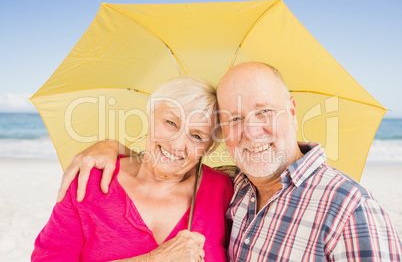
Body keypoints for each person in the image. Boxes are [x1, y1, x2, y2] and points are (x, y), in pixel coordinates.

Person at [57, 62, 402, 261]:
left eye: (264, 111)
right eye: (234, 119)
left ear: (292, 111)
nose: (251, 132)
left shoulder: (351, 209)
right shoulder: (238, 188)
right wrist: (110, 147)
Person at [32, 76, 234, 262]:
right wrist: (152, 259)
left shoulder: (223, 190)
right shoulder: (91, 180)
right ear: (150, 115)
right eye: (171, 122)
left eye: (197, 136)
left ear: (211, 146)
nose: (177, 144)